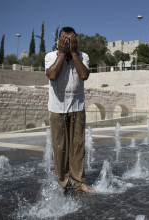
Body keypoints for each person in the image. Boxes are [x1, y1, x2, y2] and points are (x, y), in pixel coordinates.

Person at [45, 27, 94, 193]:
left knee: (78, 146)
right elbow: (52, 75)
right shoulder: (50, 56)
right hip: (57, 108)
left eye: (70, 40)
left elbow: (84, 75)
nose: (67, 43)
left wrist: (73, 54)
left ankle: (78, 182)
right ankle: (62, 182)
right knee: (59, 148)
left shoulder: (82, 56)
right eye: (64, 39)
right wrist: (61, 53)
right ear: (58, 41)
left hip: (77, 107)